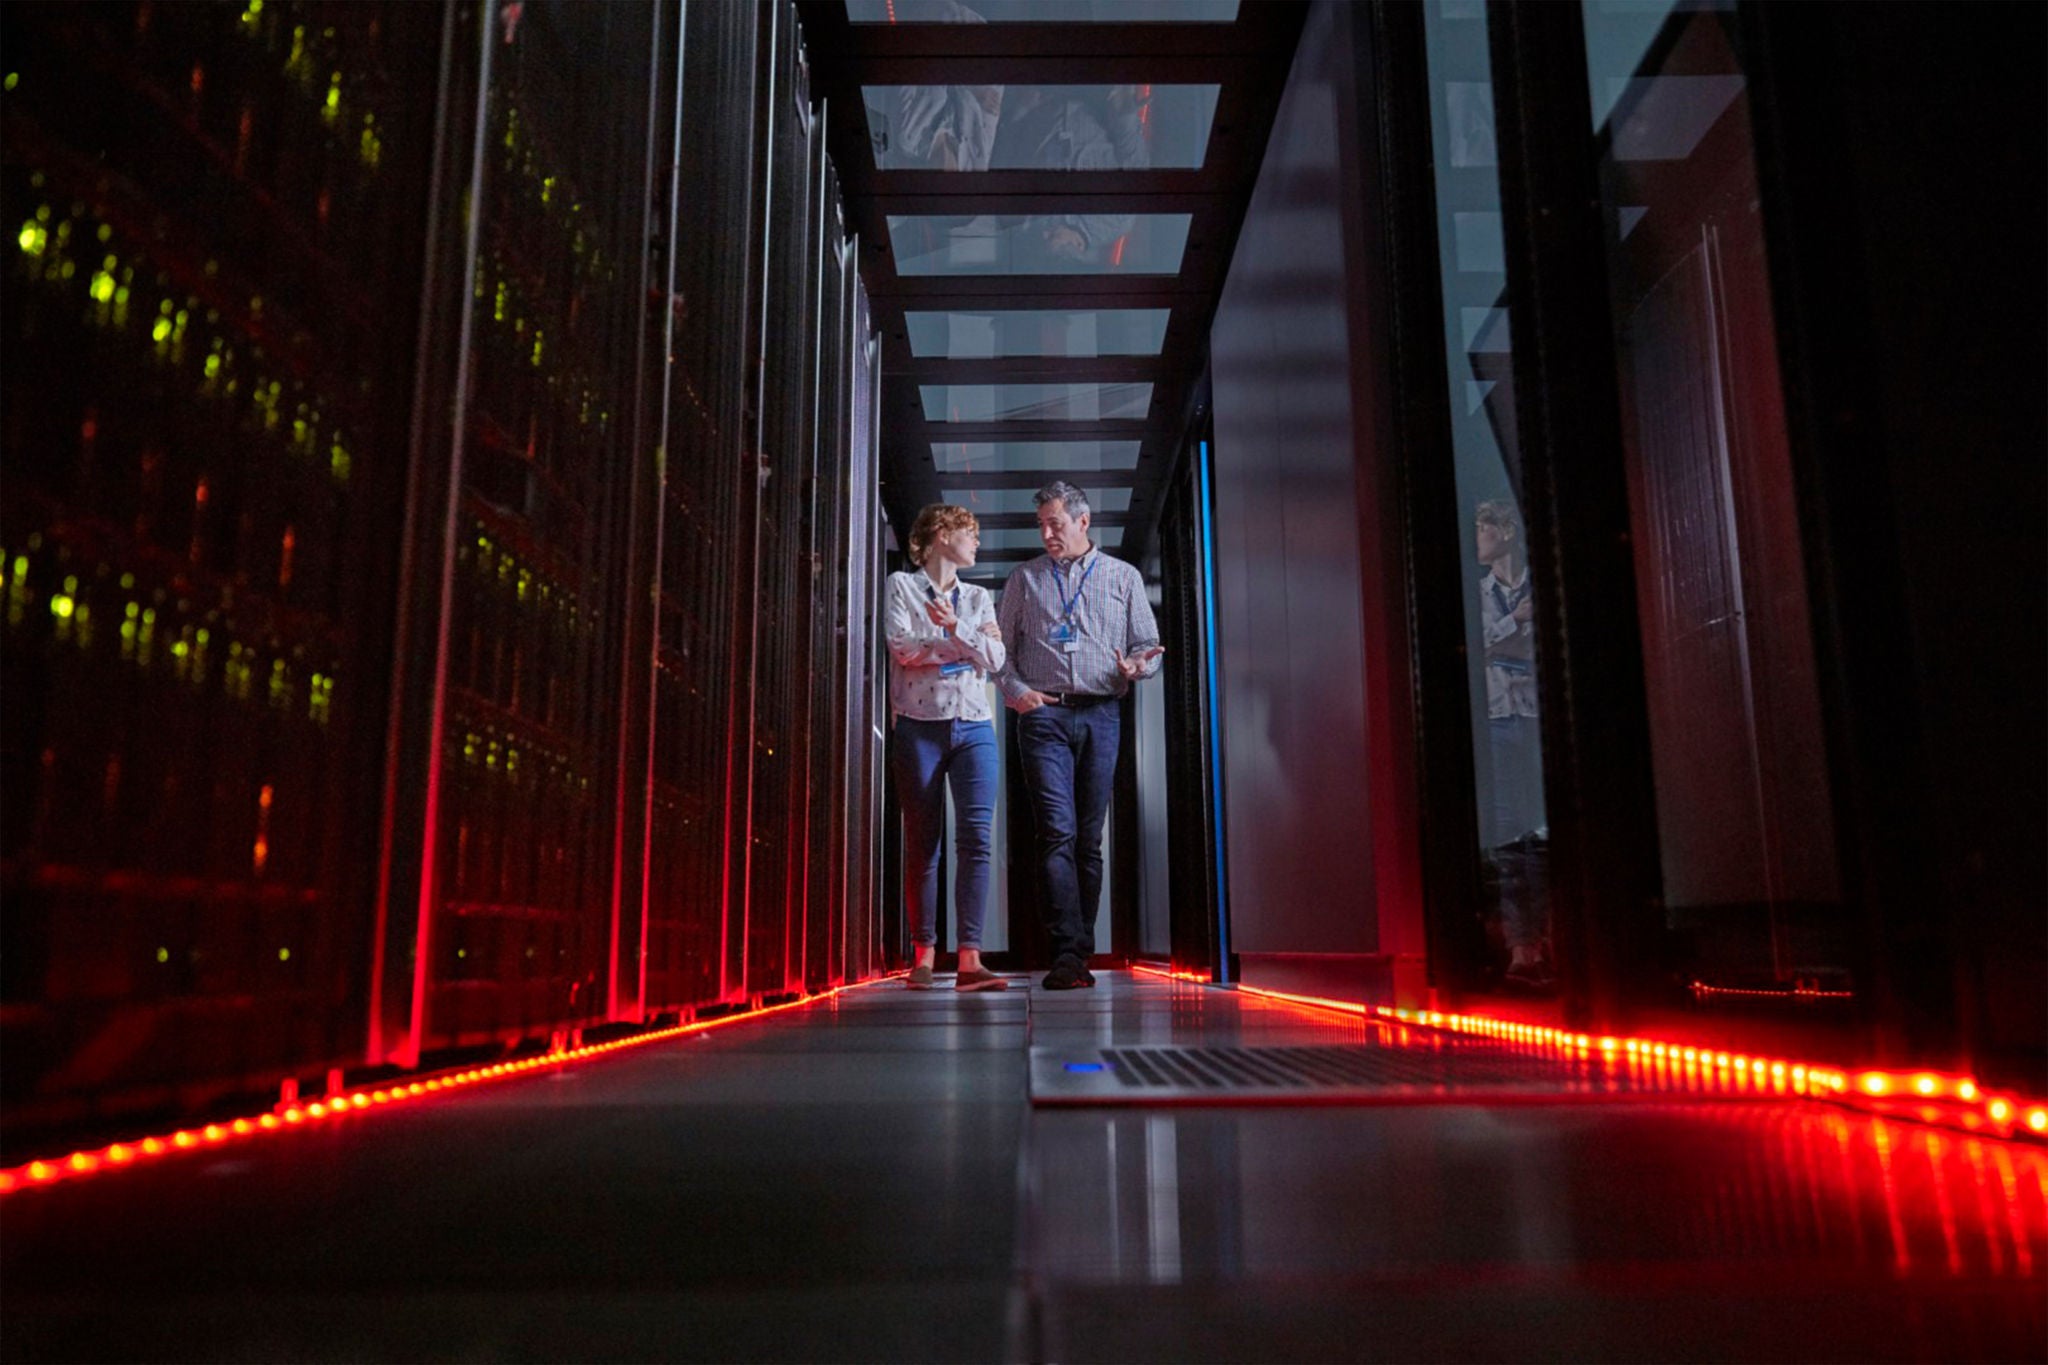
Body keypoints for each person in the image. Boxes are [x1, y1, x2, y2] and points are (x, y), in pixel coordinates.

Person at [995, 481, 1164, 990]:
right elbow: (999, 652)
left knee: (1089, 840)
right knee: (1057, 832)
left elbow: (1148, 646)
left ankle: (1082, 951)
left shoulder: (1123, 577)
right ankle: (1066, 952)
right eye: (1042, 525)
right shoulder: (1024, 580)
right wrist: (1019, 693)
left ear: (1083, 522)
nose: (1047, 533)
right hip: (1044, 717)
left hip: (1102, 713)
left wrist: (1137, 666)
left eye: (1056, 524)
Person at [885, 505, 1009, 992]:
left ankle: (970, 961)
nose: (975, 543)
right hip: (918, 727)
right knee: (923, 844)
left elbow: (996, 659)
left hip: (975, 727)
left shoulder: (979, 596)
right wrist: (966, 645)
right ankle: (924, 956)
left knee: (976, 839)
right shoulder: (903, 586)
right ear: (941, 536)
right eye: (969, 534)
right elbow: (902, 648)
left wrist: (956, 628)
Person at [1474, 498, 1551, 989]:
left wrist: (1507, 635)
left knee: (1541, 834)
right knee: (1507, 838)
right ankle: (1522, 946)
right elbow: (1480, 643)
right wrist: (1516, 623)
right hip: (1502, 718)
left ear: (1505, 533)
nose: (1477, 540)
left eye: (1483, 530)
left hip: (1533, 715)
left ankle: (1546, 940)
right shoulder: (1482, 592)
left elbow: (1516, 645)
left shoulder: (1531, 585)